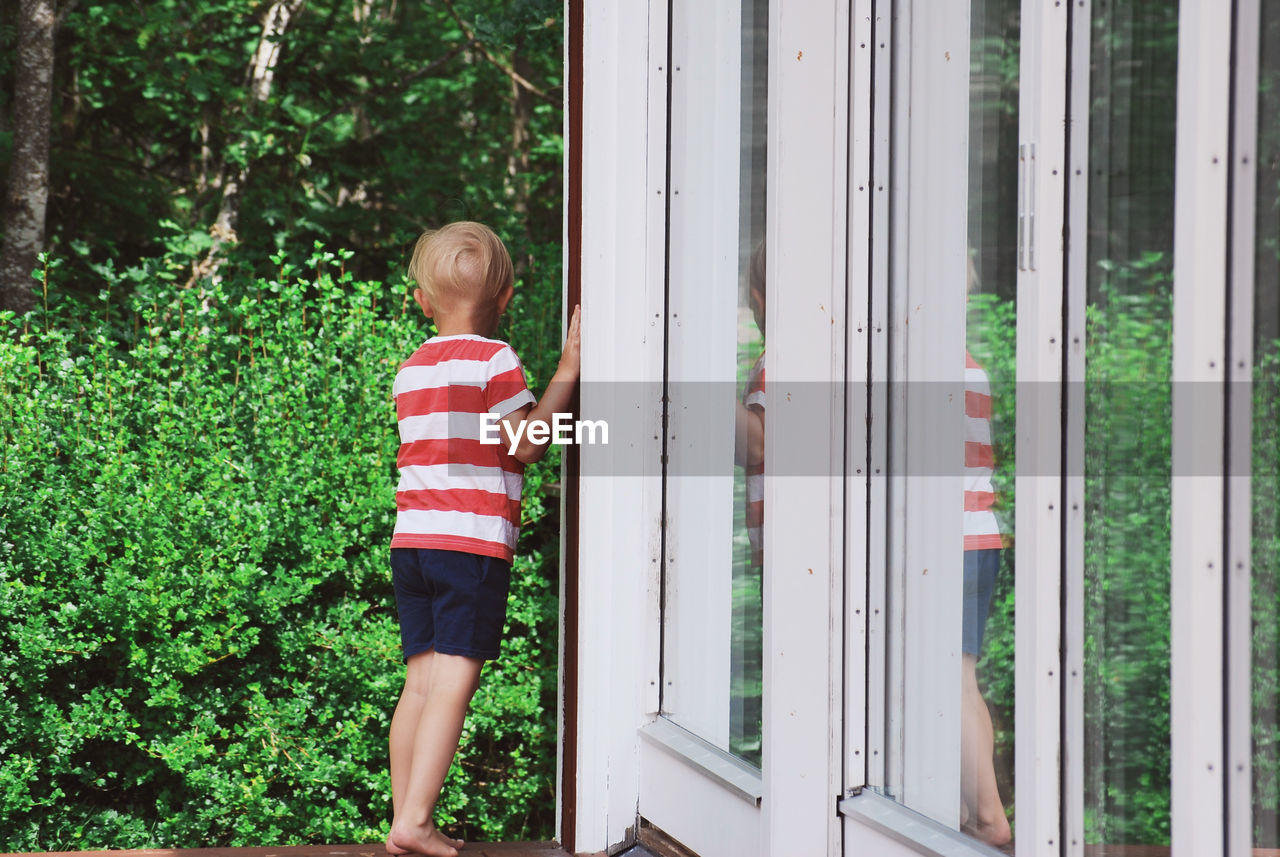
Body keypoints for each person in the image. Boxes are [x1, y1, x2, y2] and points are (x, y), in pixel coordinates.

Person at [385, 221, 581, 857]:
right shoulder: (495, 360)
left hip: (412, 542)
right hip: (467, 546)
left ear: (422, 300)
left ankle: (402, 820)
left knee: (420, 681)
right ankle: (416, 822)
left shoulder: (411, 368)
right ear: (506, 299)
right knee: (454, 683)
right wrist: (568, 372)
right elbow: (525, 445)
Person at [959, 347, 1012, 847]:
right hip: (977, 536)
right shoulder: (971, 364)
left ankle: (987, 816)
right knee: (958, 680)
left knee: (954, 682)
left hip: (952, 541)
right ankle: (964, 808)